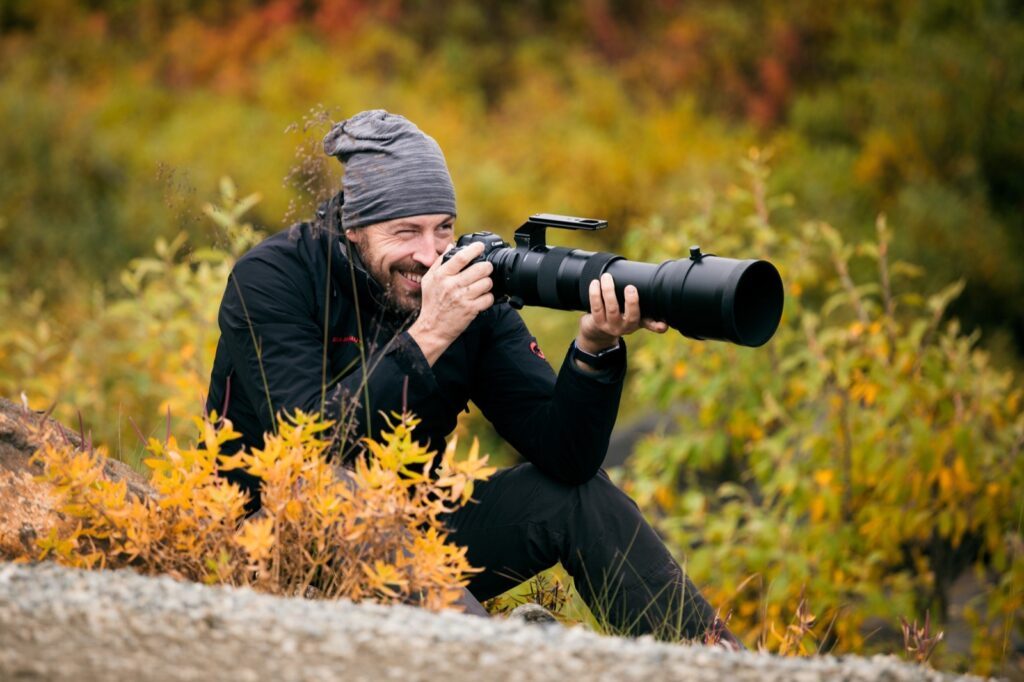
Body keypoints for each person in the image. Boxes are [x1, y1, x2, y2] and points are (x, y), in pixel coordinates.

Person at [205, 109, 741, 647]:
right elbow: (314, 445)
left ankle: (712, 661)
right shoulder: (274, 280)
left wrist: (593, 352)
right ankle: (491, 662)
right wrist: (430, 334)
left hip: (414, 534)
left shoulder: (466, 289)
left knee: (577, 496)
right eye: (405, 231)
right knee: (339, 489)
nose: (429, 254)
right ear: (354, 228)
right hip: (271, 543)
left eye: (443, 227)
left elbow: (567, 457)